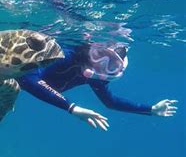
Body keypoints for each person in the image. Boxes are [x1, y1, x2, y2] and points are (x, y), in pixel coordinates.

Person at [17, 42, 178, 130]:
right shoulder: (67, 55)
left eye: (111, 64)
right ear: (92, 49)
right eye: (100, 55)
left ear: (116, 72)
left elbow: (110, 102)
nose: (100, 64)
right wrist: (71, 107)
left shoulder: (95, 78)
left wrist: (151, 110)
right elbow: (26, 77)